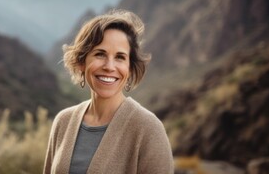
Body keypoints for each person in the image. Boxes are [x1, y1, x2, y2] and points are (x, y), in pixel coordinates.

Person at [43, 9, 174, 174]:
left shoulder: (148, 129)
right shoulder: (63, 121)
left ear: (130, 68)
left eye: (120, 57)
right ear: (82, 62)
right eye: (100, 54)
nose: (109, 67)